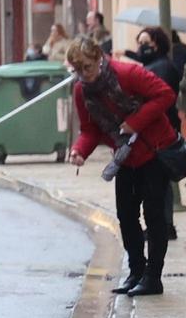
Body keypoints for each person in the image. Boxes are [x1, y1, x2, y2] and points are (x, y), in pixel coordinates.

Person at [69, 38, 179, 298]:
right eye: (77, 69)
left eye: (87, 67)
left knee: (153, 215)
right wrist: (79, 151)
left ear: (99, 58)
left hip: (154, 149)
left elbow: (165, 94)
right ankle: (136, 272)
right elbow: (90, 129)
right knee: (126, 216)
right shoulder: (81, 91)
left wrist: (135, 122)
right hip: (125, 156)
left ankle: (153, 277)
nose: (84, 74)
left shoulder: (128, 73)